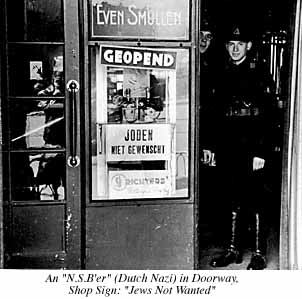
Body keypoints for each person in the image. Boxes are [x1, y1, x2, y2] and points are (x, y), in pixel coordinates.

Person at [205, 25, 274, 270]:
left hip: (252, 147)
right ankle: (233, 251)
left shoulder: (260, 73)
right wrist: (210, 147)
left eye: (240, 44)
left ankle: (258, 253)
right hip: (227, 145)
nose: (235, 49)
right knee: (231, 198)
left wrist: (261, 152)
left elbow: (268, 116)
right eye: (231, 44)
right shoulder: (219, 72)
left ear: (249, 46)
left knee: (255, 199)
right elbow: (213, 113)